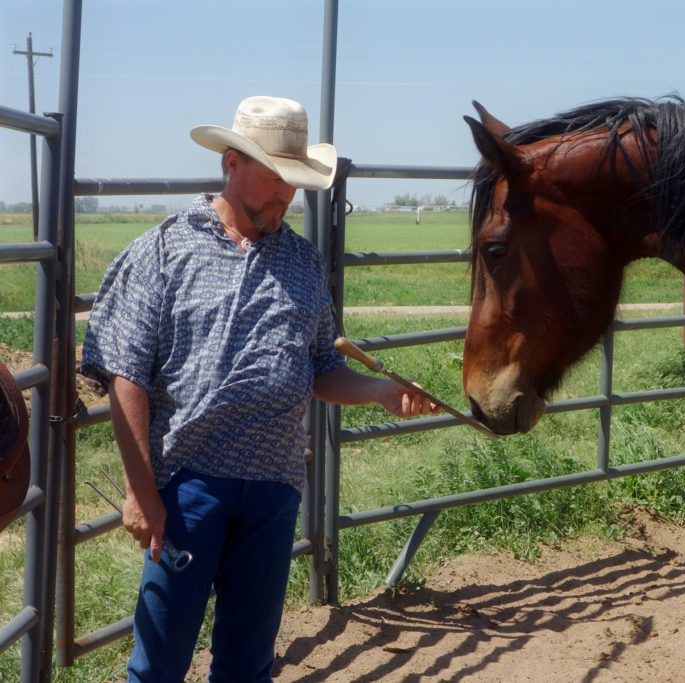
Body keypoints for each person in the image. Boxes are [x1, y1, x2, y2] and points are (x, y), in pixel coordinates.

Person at [80, 95, 439, 682]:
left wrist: (376, 391)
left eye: (294, 182)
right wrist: (140, 490)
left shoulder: (303, 263)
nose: (285, 195)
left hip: (274, 487)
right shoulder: (164, 251)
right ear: (230, 164)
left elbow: (321, 366)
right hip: (188, 484)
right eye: (275, 177)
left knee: (248, 661)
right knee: (160, 660)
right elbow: (126, 374)